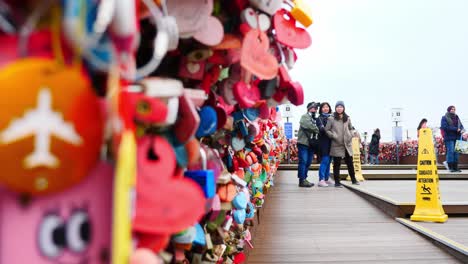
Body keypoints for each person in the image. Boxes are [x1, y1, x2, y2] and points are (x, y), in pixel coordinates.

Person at [325, 101, 360, 187]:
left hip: (347, 144)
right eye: (338, 107)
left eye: (341, 107)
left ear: (343, 108)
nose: (339, 108)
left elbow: (351, 128)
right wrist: (333, 136)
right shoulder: (331, 118)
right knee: (337, 164)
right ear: (335, 108)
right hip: (336, 144)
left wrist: (350, 135)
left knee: (350, 163)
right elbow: (327, 130)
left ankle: (353, 179)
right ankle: (337, 182)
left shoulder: (347, 118)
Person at [296, 102, 320, 187]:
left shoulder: (315, 118)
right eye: (313, 108)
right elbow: (309, 126)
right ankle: (302, 180)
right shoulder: (305, 116)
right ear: (309, 108)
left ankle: (304, 178)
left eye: (316, 108)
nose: (315, 109)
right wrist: (317, 129)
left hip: (311, 144)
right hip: (303, 142)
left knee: (308, 162)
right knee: (303, 161)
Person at [440, 106, 465, 173]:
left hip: (457, 137)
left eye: (454, 109)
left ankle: (455, 167)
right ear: (449, 110)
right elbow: (444, 127)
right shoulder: (444, 117)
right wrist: (456, 129)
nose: (453, 110)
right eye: (452, 109)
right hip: (449, 137)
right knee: (450, 152)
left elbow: (461, 126)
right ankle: (450, 167)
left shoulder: (457, 117)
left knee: (456, 152)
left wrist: (462, 130)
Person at [316, 102, 334, 187]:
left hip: (332, 142)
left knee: (329, 161)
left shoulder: (333, 117)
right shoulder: (319, 118)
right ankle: (321, 179)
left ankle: (326, 178)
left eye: (327, 107)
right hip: (324, 142)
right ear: (321, 109)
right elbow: (322, 129)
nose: (326, 108)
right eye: (324, 107)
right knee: (325, 160)